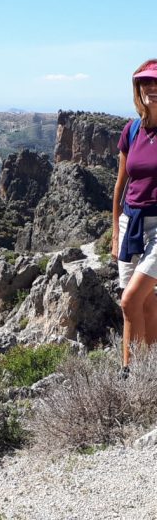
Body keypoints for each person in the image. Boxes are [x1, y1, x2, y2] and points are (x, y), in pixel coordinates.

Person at [112, 59, 157, 374]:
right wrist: (115, 230)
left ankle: (130, 374)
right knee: (144, 302)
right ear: (137, 88)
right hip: (131, 224)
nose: (151, 88)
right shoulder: (131, 129)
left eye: (156, 83)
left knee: (129, 301)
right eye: (145, 83)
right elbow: (120, 185)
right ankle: (151, 368)